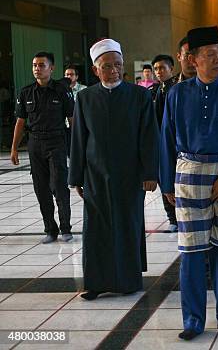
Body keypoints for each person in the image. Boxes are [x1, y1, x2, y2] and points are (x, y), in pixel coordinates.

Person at [160, 26, 218, 340]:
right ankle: (192, 319)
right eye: (210, 55)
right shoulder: (176, 93)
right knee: (190, 251)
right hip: (189, 174)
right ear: (193, 59)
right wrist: (167, 184)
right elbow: (166, 142)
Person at [68, 38, 159, 300]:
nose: (114, 71)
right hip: (95, 174)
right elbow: (78, 140)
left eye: (118, 65)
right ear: (96, 69)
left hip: (130, 175)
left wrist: (150, 173)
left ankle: (128, 281)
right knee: (96, 227)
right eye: (107, 66)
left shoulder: (139, 95)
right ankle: (96, 282)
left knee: (127, 225)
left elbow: (148, 137)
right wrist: (76, 176)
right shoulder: (85, 98)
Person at [11, 52, 74, 244]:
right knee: (41, 189)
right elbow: (20, 122)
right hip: (35, 143)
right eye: (34, 65)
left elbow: (72, 120)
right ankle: (50, 229)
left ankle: (65, 229)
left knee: (59, 186)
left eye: (41, 65)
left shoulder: (62, 91)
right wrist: (14, 148)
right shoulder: (26, 92)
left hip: (56, 142)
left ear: (51, 68)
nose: (37, 68)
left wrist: (77, 147)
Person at [150, 54, 178, 232]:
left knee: (175, 181)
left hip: (175, 142)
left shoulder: (177, 89)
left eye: (162, 68)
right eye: (156, 69)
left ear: (171, 69)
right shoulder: (153, 91)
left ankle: (180, 215)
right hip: (158, 143)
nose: (159, 72)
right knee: (163, 181)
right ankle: (171, 218)